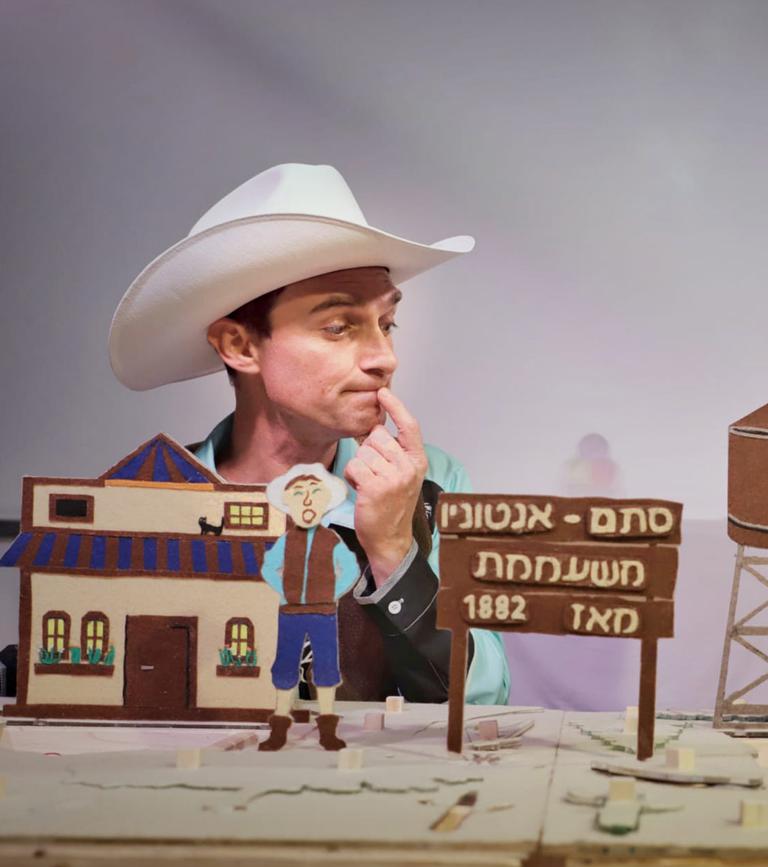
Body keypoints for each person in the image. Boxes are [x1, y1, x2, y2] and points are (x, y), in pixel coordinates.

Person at [107, 162, 510, 705]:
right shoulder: (157, 500)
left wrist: (394, 551)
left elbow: (483, 701)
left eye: (387, 324)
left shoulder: (430, 483)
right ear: (239, 346)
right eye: (338, 326)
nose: (384, 357)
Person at [258, 465, 361, 751]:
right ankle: (279, 729)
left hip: (324, 614)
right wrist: (285, 592)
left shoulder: (331, 540)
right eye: (298, 494)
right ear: (287, 503)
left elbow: (350, 569)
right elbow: (268, 568)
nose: (307, 501)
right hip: (290, 613)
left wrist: (332, 593)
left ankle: (327, 731)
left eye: (315, 494)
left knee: (326, 669)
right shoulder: (286, 540)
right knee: (285, 667)